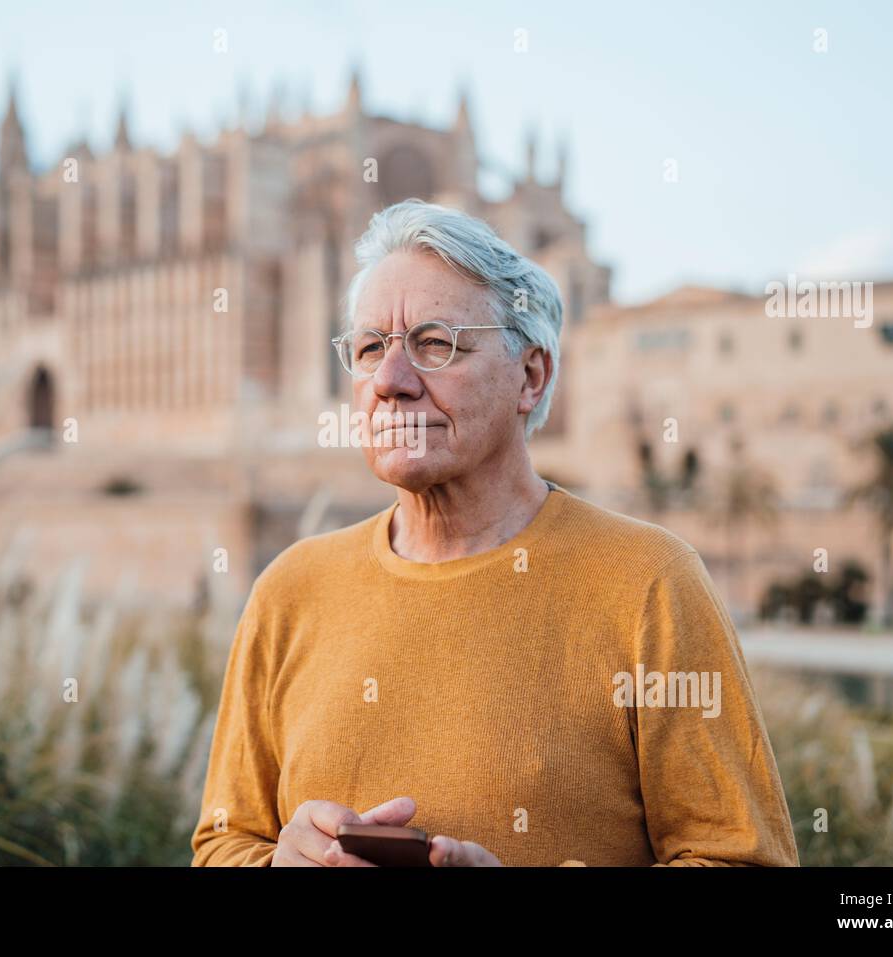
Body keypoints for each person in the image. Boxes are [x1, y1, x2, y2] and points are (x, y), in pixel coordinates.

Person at [190, 199, 799, 866]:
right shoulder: (289, 589)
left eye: (434, 344)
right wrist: (278, 863)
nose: (390, 382)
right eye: (369, 349)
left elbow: (740, 857)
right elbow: (224, 841)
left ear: (530, 376)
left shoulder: (649, 580)